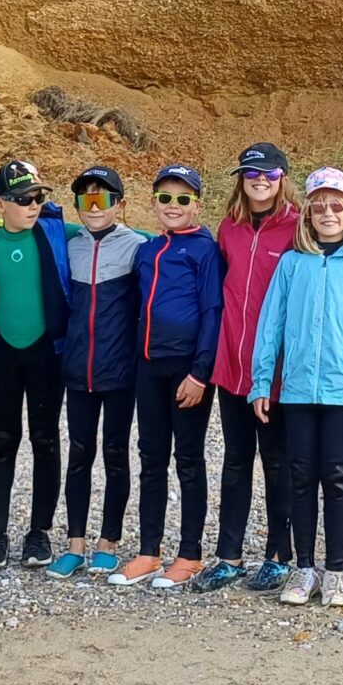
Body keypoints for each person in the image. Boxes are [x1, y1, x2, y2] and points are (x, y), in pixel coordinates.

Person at [249, 168, 343, 608]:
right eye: (319, 205)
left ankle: (336, 572)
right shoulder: (292, 264)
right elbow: (270, 325)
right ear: (307, 212)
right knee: (300, 477)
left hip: (342, 391)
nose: (328, 212)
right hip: (296, 391)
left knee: (339, 477)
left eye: (336, 205)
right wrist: (260, 382)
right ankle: (304, 568)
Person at [193, 143, 302, 594]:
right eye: (251, 173)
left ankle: (279, 555)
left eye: (268, 174)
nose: (260, 180)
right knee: (235, 461)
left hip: (274, 371)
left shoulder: (298, 227)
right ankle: (229, 556)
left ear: (282, 177)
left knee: (277, 462)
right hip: (231, 366)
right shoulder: (229, 227)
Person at [115, 165, 224, 588]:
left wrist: (200, 373)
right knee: (151, 458)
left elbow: (213, 311)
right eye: (165, 198)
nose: (173, 206)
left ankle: (191, 554)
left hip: (187, 370)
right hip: (149, 365)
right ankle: (148, 551)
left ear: (196, 204)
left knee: (190, 460)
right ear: (154, 202)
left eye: (182, 199)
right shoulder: (147, 249)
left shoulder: (204, 249)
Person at [49, 166, 146, 579]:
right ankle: (74, 545)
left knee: (115, 455)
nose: (94, 207)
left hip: (121, 371)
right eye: (85, 200)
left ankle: (109, 541)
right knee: (79, 455)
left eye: (103, 199)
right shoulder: (72, 246)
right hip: (78, 370)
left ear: (119, 205)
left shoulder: (137, 246)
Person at [0, 160, 69, 569]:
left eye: (38, 198)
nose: (33, 206)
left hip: (46, 353)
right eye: (22, 199)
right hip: (3, 355)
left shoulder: (55, 234)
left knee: (45, 440)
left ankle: (39, 533)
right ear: (0, 203)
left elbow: (119, 236)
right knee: (3, 441)